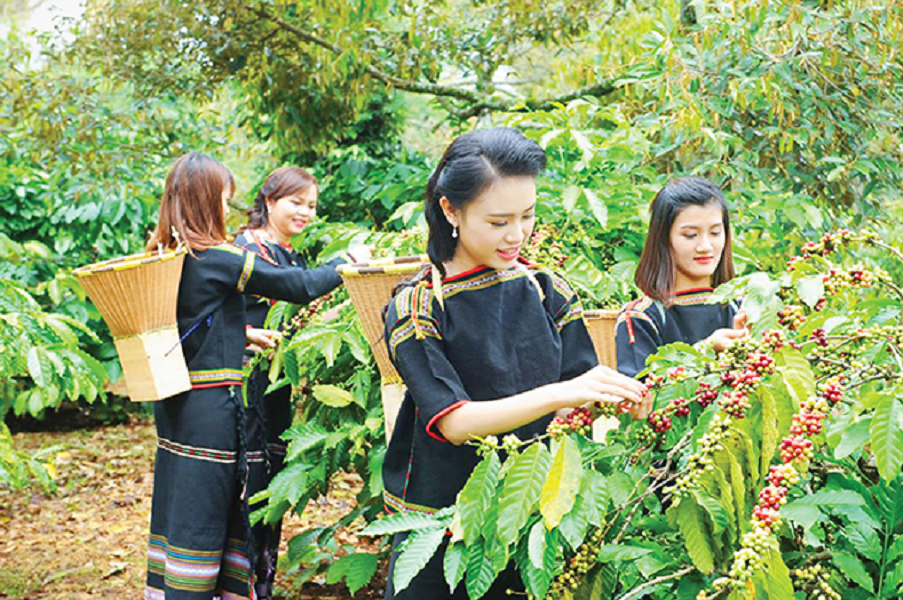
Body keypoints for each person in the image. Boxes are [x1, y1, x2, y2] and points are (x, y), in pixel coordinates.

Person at [381, 128, 651, 599]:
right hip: (443, 524)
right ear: (450, 211)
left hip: (534, 517)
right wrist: (562, 393)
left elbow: (573, 401)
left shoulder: (548, 289)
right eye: (499, 221)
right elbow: (455, 423)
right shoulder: (418, 306)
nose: (517, 235)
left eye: (527, 215)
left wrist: (616, 397)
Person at [143, 153, 355, 600]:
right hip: (212, 411)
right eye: (223, 199)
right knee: (211, 511)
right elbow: (298, 287)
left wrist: (240, 334)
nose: (226, 208)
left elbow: (186, 320)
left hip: (176, 405)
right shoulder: (219, 256)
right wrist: (347, 259)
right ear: (204, 201)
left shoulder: (165, 254)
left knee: (181, 506)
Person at [233, 166, 366, 599]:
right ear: (269, 201)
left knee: (272, 478)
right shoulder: (245, 251)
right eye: (296, 202)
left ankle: (261, 583)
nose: (305, 212)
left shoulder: (291, 254)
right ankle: (235, 585)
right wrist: (346, 263)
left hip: (276, 386)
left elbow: (303, 311)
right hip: (243, 383)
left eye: (311, 205)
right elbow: (301, 289)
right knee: (249, 480)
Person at [615, 177, 747, 379]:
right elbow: (640, 392)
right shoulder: (641, 317)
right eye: (690, 235)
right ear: (663, 239)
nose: (705, 246)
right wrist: (704, 350)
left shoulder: (743, 308)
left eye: (715, 233)